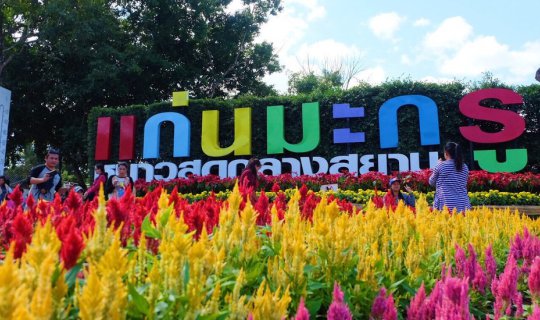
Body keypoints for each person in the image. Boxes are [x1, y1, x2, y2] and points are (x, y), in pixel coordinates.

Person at [429, 142, 471, 213]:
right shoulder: (464, 167)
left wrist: (438, 164)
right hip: (463, 205)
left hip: (446, 205)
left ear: (446, 153)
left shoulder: (441, 165)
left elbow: (431, 182)